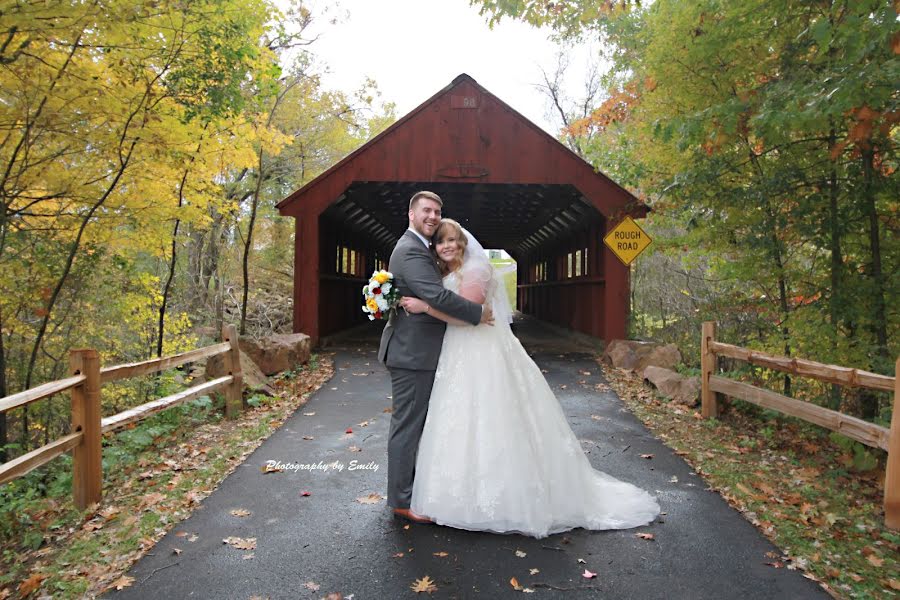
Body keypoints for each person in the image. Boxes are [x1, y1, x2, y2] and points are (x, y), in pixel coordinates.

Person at [399, 219, 660, 538]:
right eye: (442, 242)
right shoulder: (449, 272)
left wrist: (425, 307)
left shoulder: (477, 271)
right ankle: (456, 491)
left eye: (453, 240)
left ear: (464, 242)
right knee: (459, 416)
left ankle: (508, 496)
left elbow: (469, 317)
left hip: (480, 349)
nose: (448, 246)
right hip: (457, 353)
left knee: (493, 416)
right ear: (436, 248)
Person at [378, 191, 494, 523]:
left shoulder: (422, 247)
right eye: (426, 210)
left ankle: (412, 489)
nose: (432, 215)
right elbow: (435, 294)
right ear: (411, 213)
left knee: (418, 426)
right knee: (407, 427)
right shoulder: (410, 250)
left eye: (437, 211)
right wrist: (477, 313)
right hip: (412, 353)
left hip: (421, 351)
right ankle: (401, 501)